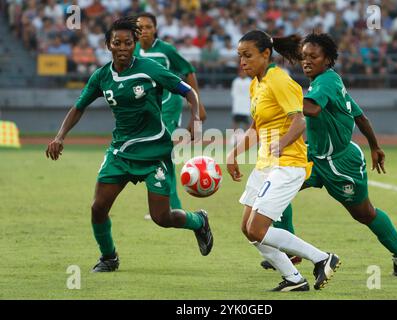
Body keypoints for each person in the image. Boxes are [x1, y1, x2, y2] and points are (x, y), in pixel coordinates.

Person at [45, 17, 213, 272]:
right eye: (117, 43)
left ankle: (198, 220)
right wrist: (60, 136)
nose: (122, 47)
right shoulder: (101, 77)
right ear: (108, 46)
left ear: (135, 44)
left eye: (128, 42)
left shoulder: (150, 68)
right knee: (98, 207)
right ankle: (109, 257)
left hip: (155, 152)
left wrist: (196, 118)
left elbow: (188, 90)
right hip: (120, 153)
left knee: (162, 218)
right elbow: (78, 107)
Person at [262, 33, 397, 277]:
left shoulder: (327, 82)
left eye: (314, 56)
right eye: (304, 57)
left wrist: (279, 98)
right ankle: (290, 249)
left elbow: (311, 109)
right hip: (313, 157)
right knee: (277, 188)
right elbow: (360, 116)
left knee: (364, 214)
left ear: (328, 60)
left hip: (342, 164)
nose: (307, 61)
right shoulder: (325, 81)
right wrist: (375, 146)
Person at [226, 30, 340, 292]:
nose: (242, 61)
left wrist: (283, 142)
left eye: (247, 55)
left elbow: (299, 121)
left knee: (257, 229)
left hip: (288, 165)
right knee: (247, 228)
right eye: (239, 56)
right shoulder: (257, 83)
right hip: (266, 165)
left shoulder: (280, 80)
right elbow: (256, 127)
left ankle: (322, 258)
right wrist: (234, 154)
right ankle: (293, 278)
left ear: (266, 54)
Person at [134, 13, 206, 213]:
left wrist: (197, 106)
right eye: (140, 27)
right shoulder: (134, 50)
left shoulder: (166, 50)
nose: (144, 31)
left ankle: (171, 206)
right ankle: (165, 204)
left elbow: (188, 70)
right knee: (156, 154)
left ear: (155, 29)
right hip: (149, 108)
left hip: (169, 104)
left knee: (162, 151)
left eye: (148, 26)